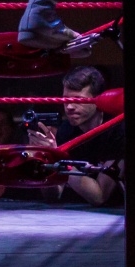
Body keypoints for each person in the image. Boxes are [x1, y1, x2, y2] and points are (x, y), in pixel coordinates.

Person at [28, 66, 124, 207]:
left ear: (98, 100)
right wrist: (46, 158)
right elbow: (54, 194)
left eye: (78, 100)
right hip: (73, 216)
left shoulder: (117, 131)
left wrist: (59, 158)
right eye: (66, 99)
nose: (70, 106)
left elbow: (100, 196)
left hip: (119, 217)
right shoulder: (65, 131)